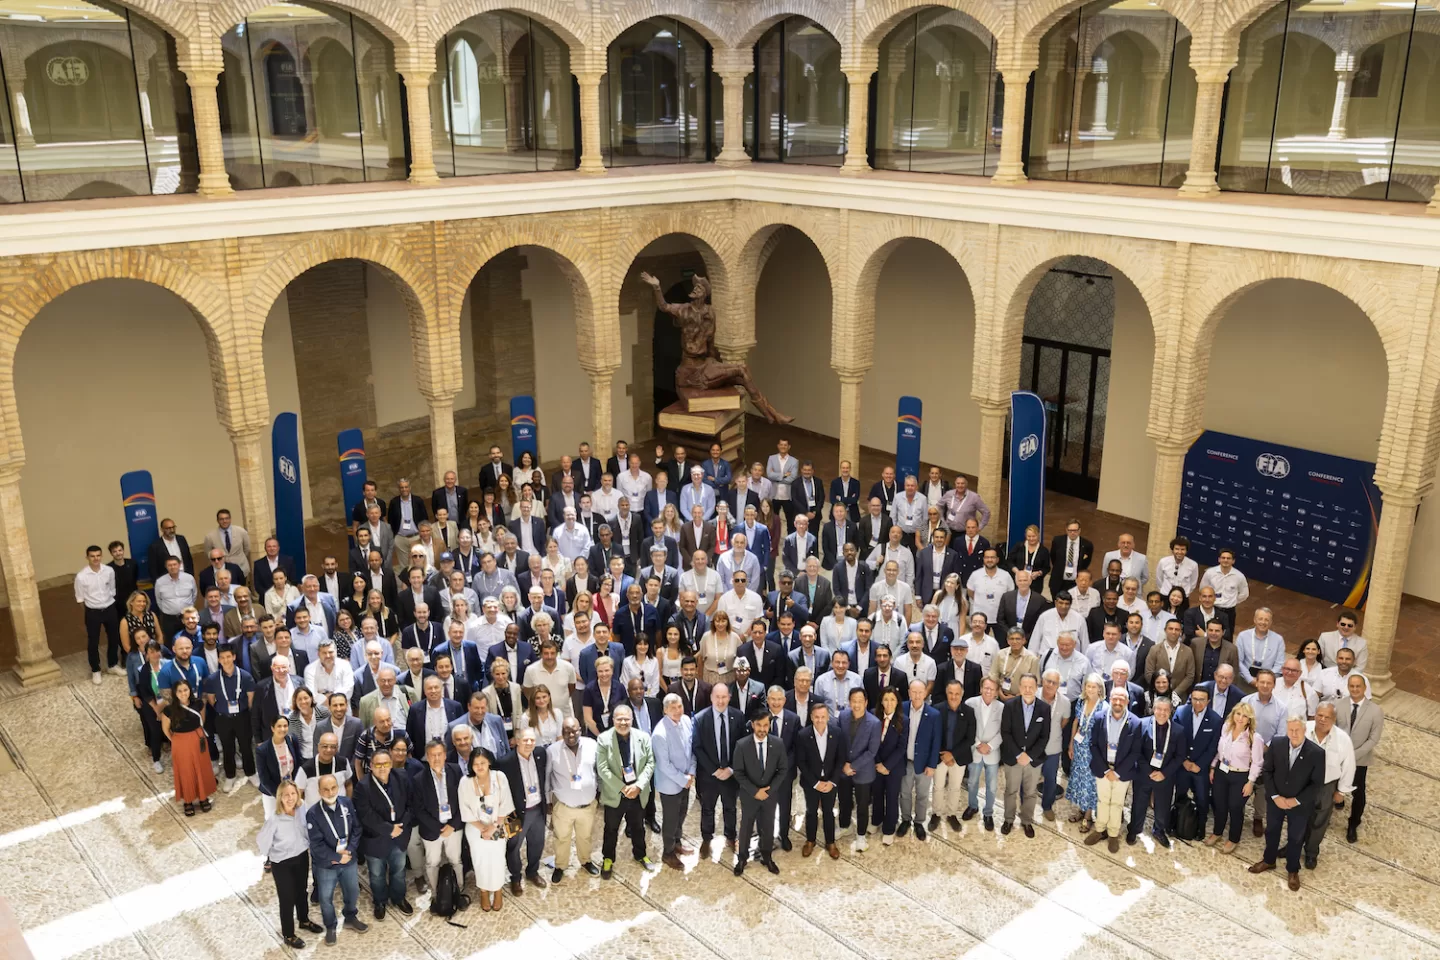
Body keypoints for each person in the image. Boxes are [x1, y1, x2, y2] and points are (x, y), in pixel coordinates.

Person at [1250, 714, 1328, 891]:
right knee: (1271, 831)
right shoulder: (1277, 744)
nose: (1294, 733)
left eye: (1297, 730)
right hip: (1276, 800)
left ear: (1304, 730)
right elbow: (1268, 771)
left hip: (1299, 805)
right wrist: (1276, 796)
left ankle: (1293, 870)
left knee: (1295, 837)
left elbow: (1317, 784)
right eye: (1290, 730)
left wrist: (1296, 800)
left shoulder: (1317, 753)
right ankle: (1269, 860)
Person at [257, 779, 324, 948]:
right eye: (286, 795)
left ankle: (304, 920)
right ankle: (288, 934)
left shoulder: (302, 809)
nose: (290, 798)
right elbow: (262, 842)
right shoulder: (274, 819)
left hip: (301, 856)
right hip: (282, 863)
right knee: (287, 898)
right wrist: (273, 854)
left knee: (302, 891)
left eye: (293, 793)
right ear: (280, 797)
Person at [306, 774, 368, 945]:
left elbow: (356, 828)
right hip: (327, 865)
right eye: (325, 789)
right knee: (326, 897)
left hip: (348, 859)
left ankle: (350, 917)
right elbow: (316, 845)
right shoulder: (312, 814)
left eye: (333, 787)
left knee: (352, 891)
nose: (330, 791)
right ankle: (331, 926)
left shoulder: (346, 803)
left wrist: (350, 850)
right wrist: (336, 857)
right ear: (319, 791)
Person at [597, 703, 657, 876]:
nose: (623, 722)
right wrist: (623, 787)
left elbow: (650, 763)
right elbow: (602, 769)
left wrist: (638, 786)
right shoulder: (603, 739)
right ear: (613, 720)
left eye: (626, 719)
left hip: (637, 793)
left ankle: (641, 855)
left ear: (632, 720)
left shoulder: (643, 737)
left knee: (638, 827)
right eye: (619, 719)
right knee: (611, 829)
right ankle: (608, 859)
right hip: (616, 793)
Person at [1083, 687, 1140, 852]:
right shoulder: (1100, 717)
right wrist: (1106, 771)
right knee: (1102, 800)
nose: (1118, 702)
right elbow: (1093, 745)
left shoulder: (1135, 722)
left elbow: (1135, 752)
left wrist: (1117, 772)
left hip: (1122, 772)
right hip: (1103, 769)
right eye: (1115, 698)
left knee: (1117, 803)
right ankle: (1100, 830)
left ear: (1127, 702)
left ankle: (1113, 834)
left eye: (1122, 699)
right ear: (1110, 699)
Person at [732, 710, 787, 875]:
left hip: (769, 796)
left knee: (768, 826)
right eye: (759, 725)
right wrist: (755, 791)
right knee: (746, 827)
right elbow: (738, 772)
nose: (762, 729)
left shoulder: (778, 743)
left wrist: (768, 791)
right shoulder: (742, 745)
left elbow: (783, 770)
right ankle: (742, 858)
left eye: (765, 725)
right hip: (750, 796)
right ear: (753, 725)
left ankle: (767, 857)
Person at [1302, 702, 1356, 869]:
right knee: (1298, 818)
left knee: (1319, 821)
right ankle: (1292, 846)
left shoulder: (1343, 739)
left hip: (1326, 786)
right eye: (1320, 715)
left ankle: (1311, 852)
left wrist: (1341, 791)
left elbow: (1349, 766)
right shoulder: (1303, 728)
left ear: (1334, 719)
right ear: (1315, 714)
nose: (1322, 720)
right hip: (1302, 783)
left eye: (1327, 717)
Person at [547, 717, 601, 881]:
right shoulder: (553, 750)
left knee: (585, 837)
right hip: (564, 806)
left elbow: (598, 770)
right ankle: (560, 866)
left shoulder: (592, 745)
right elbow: (547, 777)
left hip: (587, 805)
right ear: (561, 732)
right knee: (561, 838)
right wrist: (548, 801)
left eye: (574, 730)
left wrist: (598, 793)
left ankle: (585, 861)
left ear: (580, 730)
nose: (570, 734)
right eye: (566, 731)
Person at [460, 748, 513, 910]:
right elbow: (465, 809)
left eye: (483, 762)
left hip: (498, 825)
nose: (480, 766)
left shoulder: (499, 777)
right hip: (476, 829)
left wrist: (493, 827)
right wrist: (483, 829)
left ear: (489, 761)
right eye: (475, 764)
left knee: (497, 859)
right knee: (480, 860)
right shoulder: (465, 782)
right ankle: (484, 891)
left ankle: (497, 891)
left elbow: (506, 803)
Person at [1205, 701, 1262, 852]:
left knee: (1235, 807)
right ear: (1233, 714)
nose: (1240, 718)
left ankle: (1233, 838)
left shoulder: (1255, 738)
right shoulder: (1226, 728)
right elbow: (1219, 751)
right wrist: (1212, 767)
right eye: (1238, 714)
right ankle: (1217, 832)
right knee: (1220, 804)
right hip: (1221, 771)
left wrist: (1250, 782)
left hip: (1240, 775)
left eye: (1245, 716)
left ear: (1249, 719)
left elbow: (1257, 763)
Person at [1000, 673, 1050, 838]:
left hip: (1033, 760)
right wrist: (1018, 754)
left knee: (1030, 792)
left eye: (1031, 687)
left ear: (1036, 688)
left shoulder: (1044, 708)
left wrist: (1028, 756)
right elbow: (1005, 733)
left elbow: (1044, 737)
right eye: (1024, 687)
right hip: (1013, 758)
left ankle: (1027, 821)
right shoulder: (1009, 706)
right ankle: (1008, 819)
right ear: (1019, 688)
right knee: (1011, 790)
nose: (1028, 690)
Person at [1336, 673, 1383, 843]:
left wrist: (1353, 756)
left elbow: (1373, 739)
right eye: (1352, 686)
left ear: (1364, 688)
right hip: (1337, 758)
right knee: (1330, 787)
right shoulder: (1338, 705)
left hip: (1360, 760)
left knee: (1358, 792)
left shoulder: (1375, 711)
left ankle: (1353, 823)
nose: (1355, 689)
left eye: (1358, 686)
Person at [651, 692, 696, 869]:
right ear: (665, 711)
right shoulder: (659, 734)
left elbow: (691, 747)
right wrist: (683, 779)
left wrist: (691, 773)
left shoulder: (685, 720)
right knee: (670, 820)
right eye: (673, 708)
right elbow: (664, 764)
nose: (677, 711)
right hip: (670, 784)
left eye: (679, 706)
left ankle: (677, 842)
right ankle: (668, 853)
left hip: (686, 780)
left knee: (682, 813)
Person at [203, 644, 255, 794]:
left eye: (228, 657)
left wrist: (244, 710)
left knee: (246, 746)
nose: (226, 660)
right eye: (222, 657)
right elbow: (211, 699)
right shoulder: (213, 679)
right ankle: (230, 776)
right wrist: (223, 709)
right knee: (227, 748)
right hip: (223, 718)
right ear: (219, 659)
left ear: (233, 657)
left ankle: (251, 773)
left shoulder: (245, 676)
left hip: (242, 717)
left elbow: (251, 697)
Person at [163, 678, 216, 816]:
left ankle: (203, 798)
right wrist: (175, 740)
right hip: (181, 742)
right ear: (175, 693)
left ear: (190, 690)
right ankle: (188, 801)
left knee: (201, 767)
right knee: (185, 771)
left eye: (185, 690)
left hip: (198, 739)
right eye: (179, 691)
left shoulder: (198, 704)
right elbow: (166, 729)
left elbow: (201, 720)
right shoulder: (169, 709)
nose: (183, 693)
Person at [898, 679, 940, 839]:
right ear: (908, 692)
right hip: (904, 761)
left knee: (922, 795)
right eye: (913, 692)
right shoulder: (901, 708)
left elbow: (936, 742)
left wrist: (932, 764)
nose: (916, 695)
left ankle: (919, 822)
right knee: (905, 793)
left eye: (920, 692)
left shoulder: (934, 714)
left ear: (925, 693)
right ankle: (906, 820)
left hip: (924, 764)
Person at [840, 687, 881, 849]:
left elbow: (872, 751)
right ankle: (844, 826)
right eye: (853, 701)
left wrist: (853, 765)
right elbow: (839, 742)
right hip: (843, 769)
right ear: (849, 702)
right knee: (843, 801)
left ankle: (861, 835)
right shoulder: (842, 716)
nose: (856, 705)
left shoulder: (874, 723)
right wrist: (844, 764)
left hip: (863, 770)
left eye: (860, 701)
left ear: (866, 702)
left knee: (862, 805)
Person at [75, 544, 121, 684]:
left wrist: (108, 603)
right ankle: (96, 670)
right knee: (93, 641)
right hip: (93, 612)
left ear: (101, 556)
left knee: (114, 637)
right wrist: (91, 610)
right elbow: (80, 599)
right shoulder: (81, 576)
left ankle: (112, 665)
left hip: (109, 608)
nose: (96, 558)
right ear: (87, 557)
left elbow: (112, 589)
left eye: (98, 555)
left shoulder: (109, 571)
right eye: (92, 556)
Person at [963, 677, 1003, 830]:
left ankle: (988, 813)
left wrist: (990, 746)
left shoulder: (1001, 708)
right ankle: (973, 806)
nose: (988, 691)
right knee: (972, 782)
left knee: (991, 786)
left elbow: (1003, 731)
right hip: (975, 751)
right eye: (986, 688)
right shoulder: (970, 703)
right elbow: (966, 728)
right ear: (980, 689)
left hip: (992, 753)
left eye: (992, 689)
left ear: (996, 692)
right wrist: (979, 743)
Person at [1066, 673, 1105, 832]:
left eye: (1093, 687)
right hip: (1079, 747)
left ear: (1099, 689)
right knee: (1079, 780)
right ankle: (1081, 810)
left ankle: (1088, 816)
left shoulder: (1104, 706)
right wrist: (1071, 744)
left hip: (1093, 750)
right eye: (1088, 686)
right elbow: (1076, 722)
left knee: (1090, 783)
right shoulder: (1081, 702)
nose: (1090, 689)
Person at [870, 688, 906, 845]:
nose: (889, 703)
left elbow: (901, 747)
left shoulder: (904, 720)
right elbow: (871, 742)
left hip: (894, 766)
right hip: (876, 764)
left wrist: (887, 766)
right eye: (886, 699)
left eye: (892, 699)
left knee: (892, 797)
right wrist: (878, 763)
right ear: (881, 701)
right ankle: (876, 820)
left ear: (897, 701)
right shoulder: (873, 715)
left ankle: (889, 828)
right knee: (876, 794)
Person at [134, 638, 167, 772]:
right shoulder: (144, 670)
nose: (155, 654)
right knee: (155, 732)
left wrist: (164, 705)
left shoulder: (167, 665)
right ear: (147, 654)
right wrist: (157, 710)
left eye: (157, 651)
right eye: (151, 652)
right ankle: (156, 759)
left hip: (168, 703)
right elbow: (145, 692)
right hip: (152, 706)